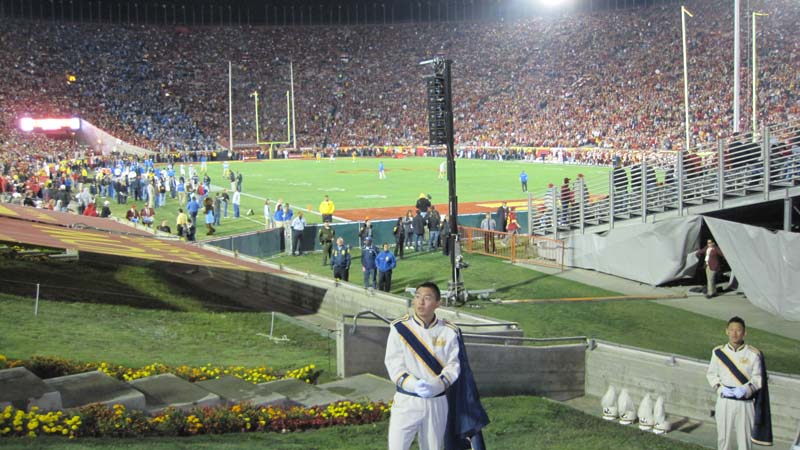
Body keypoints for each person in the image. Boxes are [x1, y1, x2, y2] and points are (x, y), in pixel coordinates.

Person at [384, 282, 461, 450]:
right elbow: (393, 363)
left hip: (436, 400)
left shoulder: (449, 331)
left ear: (438, 303)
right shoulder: (400, 328)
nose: (421, 302)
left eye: (427, 298)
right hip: (407, 400)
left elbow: (453, 365)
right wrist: (412, 384)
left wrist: (438, 384)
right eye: (417, 297)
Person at [706, 316, 772, 450]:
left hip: (745, 403)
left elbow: (758, 378)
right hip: (724, 401)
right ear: (727, 331)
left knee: (745, 440)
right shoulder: (718, 352)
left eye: (738, 330)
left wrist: (745, 390)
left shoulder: (753, 354)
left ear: (744, 332)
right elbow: (711, 374)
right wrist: (720, 388)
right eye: (731, 330)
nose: (734, 334)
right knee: (723, 439)